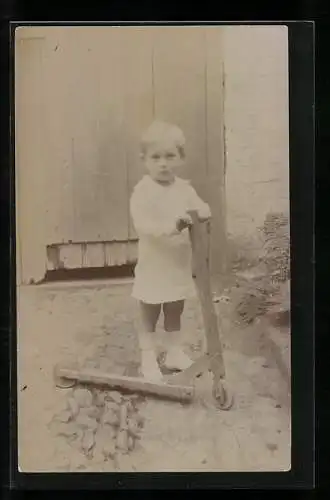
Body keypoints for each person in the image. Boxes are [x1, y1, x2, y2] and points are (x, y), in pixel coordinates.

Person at [130, 120, 211, 381]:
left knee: (175, 305)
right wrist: (170, 227)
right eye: (156, 157)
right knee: (151, 307)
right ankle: (148, 356)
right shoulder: (143, 192)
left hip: (177, 262)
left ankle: (174, 351)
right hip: (155, 261)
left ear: (180, 158)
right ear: (145, 160)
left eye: (169, 156)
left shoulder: (184, 189)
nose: (163, 163)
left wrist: (203, 211)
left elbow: (200, 206)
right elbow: (144, 225)